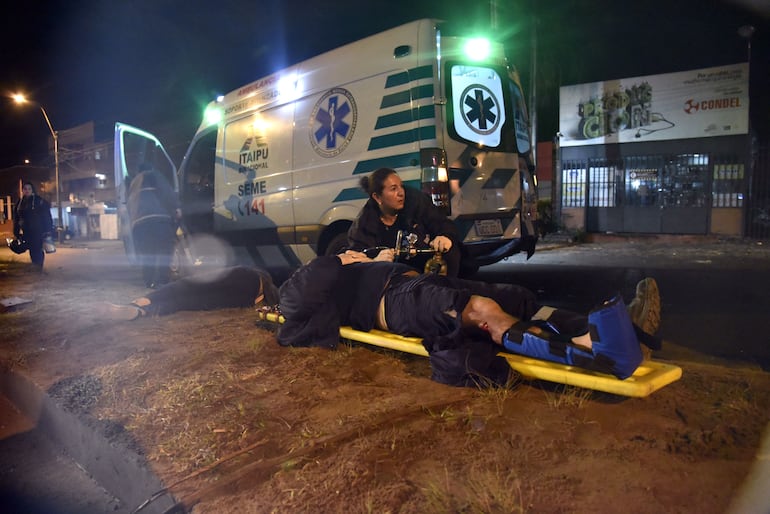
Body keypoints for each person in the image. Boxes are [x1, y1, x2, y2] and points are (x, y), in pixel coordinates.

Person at [277, 251, 661, 387]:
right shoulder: (306, 279)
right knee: (480, 310)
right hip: (395, 302)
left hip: (417, 284)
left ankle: (607, 329)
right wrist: (341, 260)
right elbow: (295, 300)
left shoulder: (346, 266)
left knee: (513, 297)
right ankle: (593, 350)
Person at [346, 167, 463, 277]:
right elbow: (355, 259)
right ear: (377, 197)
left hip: (426, 269)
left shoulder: (416, 202)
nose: (401, 193)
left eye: (401, 186)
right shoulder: (365, 224)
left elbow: (442, 223)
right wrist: (374, 261)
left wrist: (445, 236)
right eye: (393, 189)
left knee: (451, 251)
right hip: (394, 281)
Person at [102, 266, 280, 321]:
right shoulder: (276, 291)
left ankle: (145, 301)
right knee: (193, 301)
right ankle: (143, 311)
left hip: (251, 281)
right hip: (249, 297)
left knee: (190, 286)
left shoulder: (249, 272)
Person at [126, 164, 180, 288]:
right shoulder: (152, 175)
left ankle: (149, 281)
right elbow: (167, 192)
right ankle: (163, 281)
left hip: (139, 224)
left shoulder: (133, 184)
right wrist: (176, 208)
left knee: (147, 253)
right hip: (159, 219)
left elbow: (129, 207)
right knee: (164, 251)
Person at [12, 181, 54, 272]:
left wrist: (48, 230)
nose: (27, 191)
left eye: (29, 189)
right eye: (25, 189)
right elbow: (16, 218)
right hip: (26, 231)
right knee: (31, 249)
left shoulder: (39, 201)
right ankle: (35, 266)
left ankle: (38, 268)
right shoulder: (19, 203)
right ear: (22, 190)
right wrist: (16, 231)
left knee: (37, 249)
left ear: (32, 190)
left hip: (38, 230)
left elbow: (46, 216)